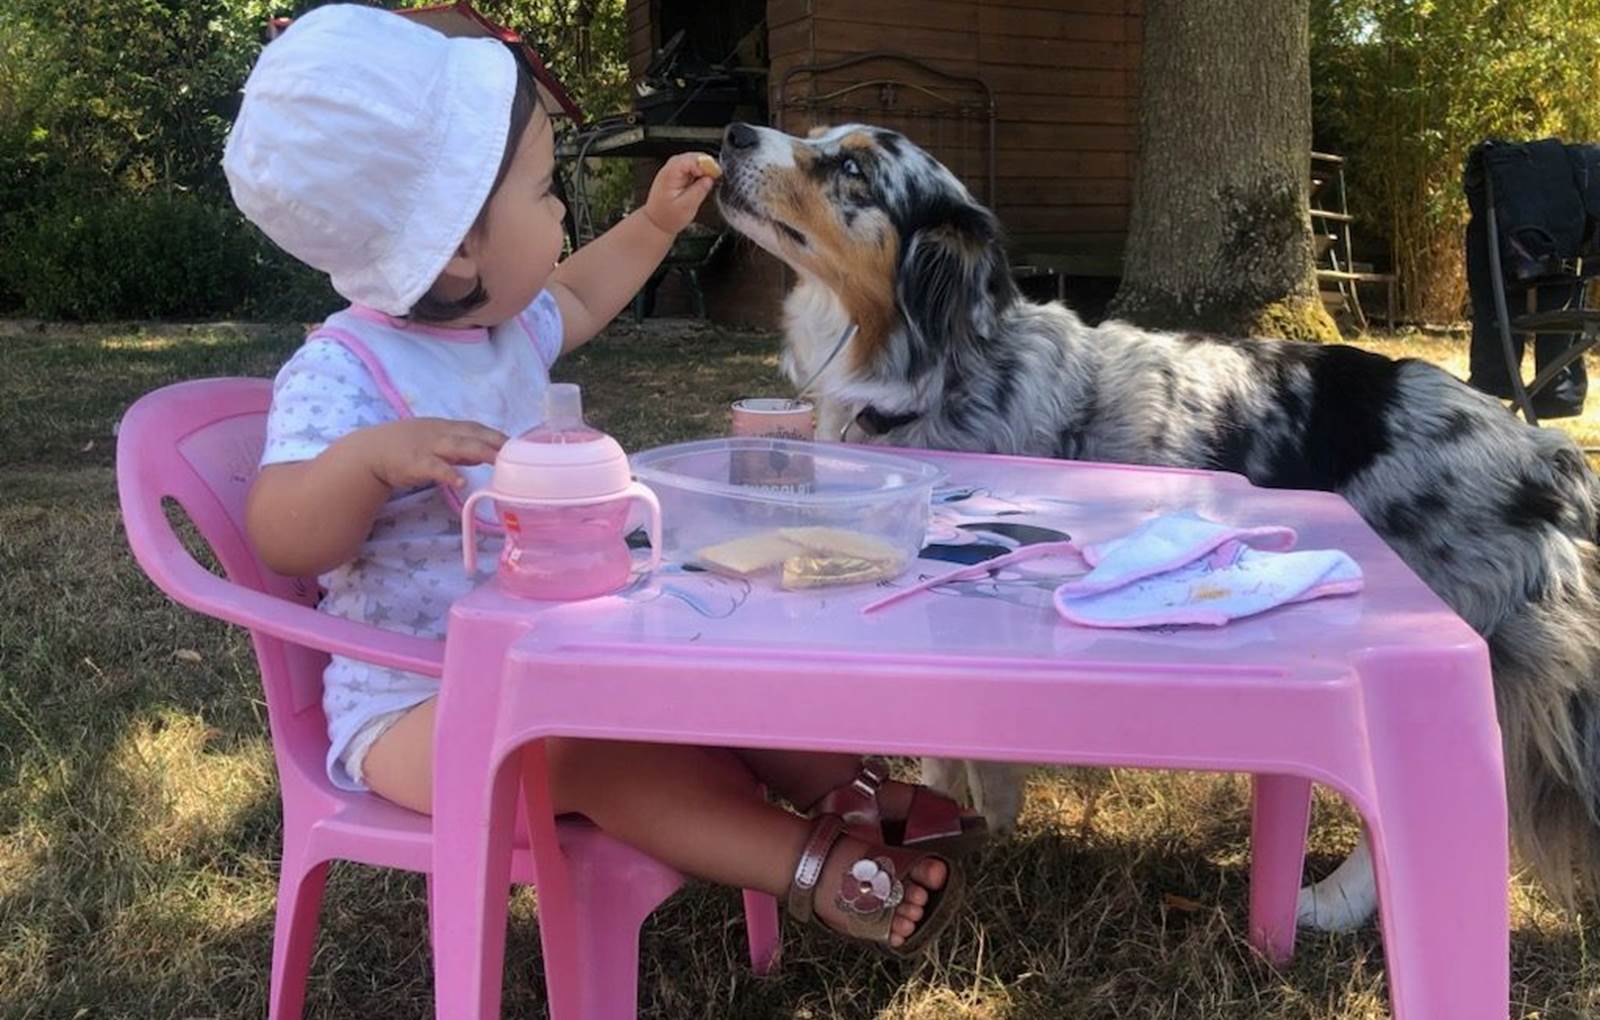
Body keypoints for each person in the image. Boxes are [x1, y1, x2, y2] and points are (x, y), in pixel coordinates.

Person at [223, 3, 975, 954]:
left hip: (555, 655)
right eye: (544, 194)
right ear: (458, 245)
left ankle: (850, 787)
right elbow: (283, 532)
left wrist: (654, 224)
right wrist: (369, 461)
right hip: (423, 708)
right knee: (588, 754)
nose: (560, 214)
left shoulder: (496, 327)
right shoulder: (344, 375)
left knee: (715, 681)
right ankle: (811, 864)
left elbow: (577, 291)